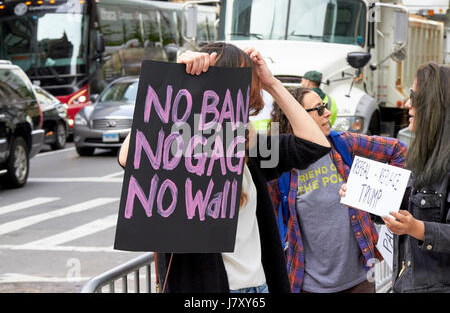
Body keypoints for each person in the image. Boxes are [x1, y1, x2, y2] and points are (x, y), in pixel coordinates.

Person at [118, 42, 331, 293]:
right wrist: (173, 79)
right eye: (239, 77)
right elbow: (130, 157)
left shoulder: (250, 148)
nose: (247, 86)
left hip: (258, 287)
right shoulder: (183, 146)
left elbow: (314, 145)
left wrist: (272, 83)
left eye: (249, 79)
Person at [268, 87, 407, 293]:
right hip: (307, 285)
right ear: (295, 116)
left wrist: (374, 196)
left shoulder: (343, 143)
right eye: (318, 109)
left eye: (324, 106)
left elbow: (397, 150)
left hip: (360, 281)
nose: (327, 113)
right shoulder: (280, 164)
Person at [342, 62, 450, 293]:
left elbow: (416, 224)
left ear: (434, 105)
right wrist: (360, 196)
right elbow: (400, 209)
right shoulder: (422, 155)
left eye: (414, 96)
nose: (408, 104)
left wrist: (416, 228)